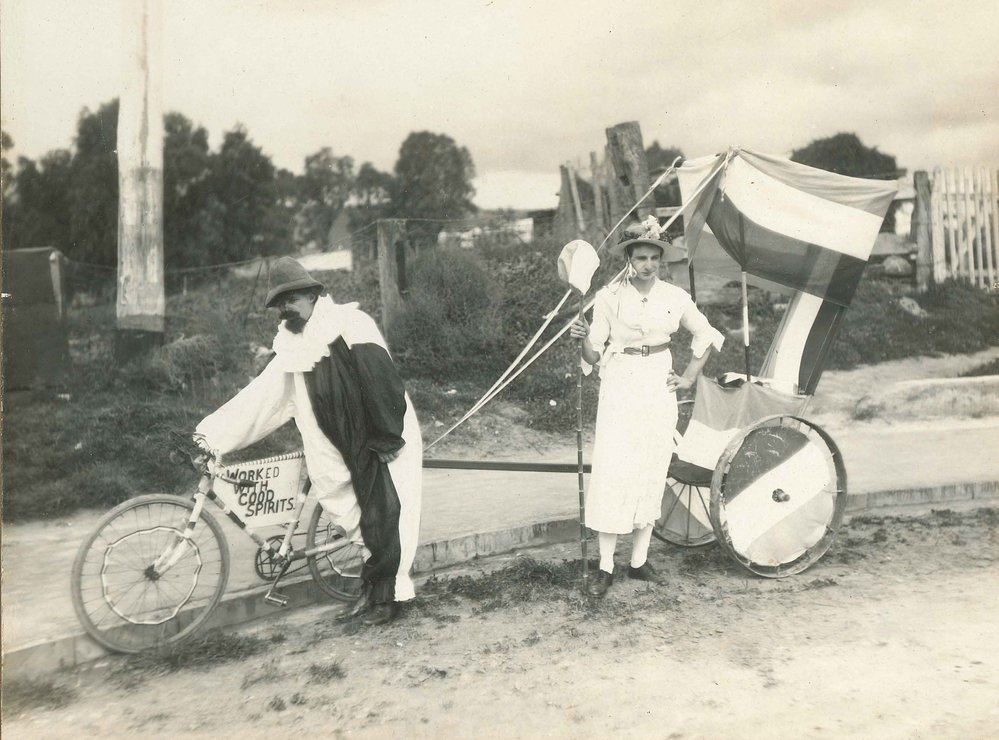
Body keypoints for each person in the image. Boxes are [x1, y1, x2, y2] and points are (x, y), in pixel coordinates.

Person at [194, 257, 422, 625]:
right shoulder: (290, 348)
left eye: (292, 297)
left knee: (386, 514)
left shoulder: (349, 324)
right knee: (349, 515)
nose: (286, 308)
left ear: (314, 294)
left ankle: (388, 597)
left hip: (374, 435)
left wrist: (386, 438)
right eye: (279, 303)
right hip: (330, 446)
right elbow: (260, 401)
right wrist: (209, 437)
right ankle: (372, 589)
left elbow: (383, 380)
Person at [569, 218, 724, 598]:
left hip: (658, 381)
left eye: (654, 258)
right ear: (628, 258)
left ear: (661, 260)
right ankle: (606, 566)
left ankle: (638, 561)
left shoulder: (674, 297)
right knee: (613, 467)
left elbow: (705, 333)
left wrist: (688, 375)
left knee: (652, 466)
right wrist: (581, 340)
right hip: (620, 381)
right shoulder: (608, 296)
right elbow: (594, 351)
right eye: (640, 257)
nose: (648, 265)